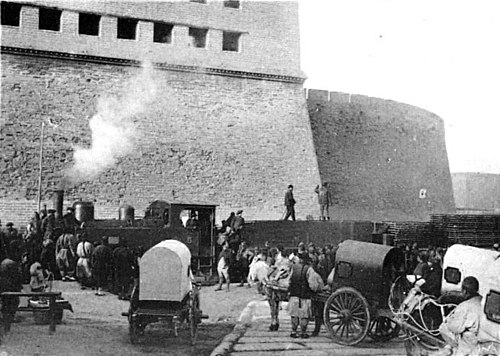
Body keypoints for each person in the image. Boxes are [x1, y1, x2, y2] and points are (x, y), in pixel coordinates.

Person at [438, 276, 482, 356]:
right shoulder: (483, 302)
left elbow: (455, 328)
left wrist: (449, 319)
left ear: (464, 291)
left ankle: (452, 349)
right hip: (481, 338)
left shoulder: (464, 306)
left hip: (469, 342)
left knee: (443, 327)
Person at [287, 252, 324, 338]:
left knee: (294, 314)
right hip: (305, 296)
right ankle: (303, 332)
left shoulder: (294, 267)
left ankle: (294, 331)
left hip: (294, 295)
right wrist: (318, 289)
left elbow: (289, 280)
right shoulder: (309, 269)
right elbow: (313, 285)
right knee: (304, 315)